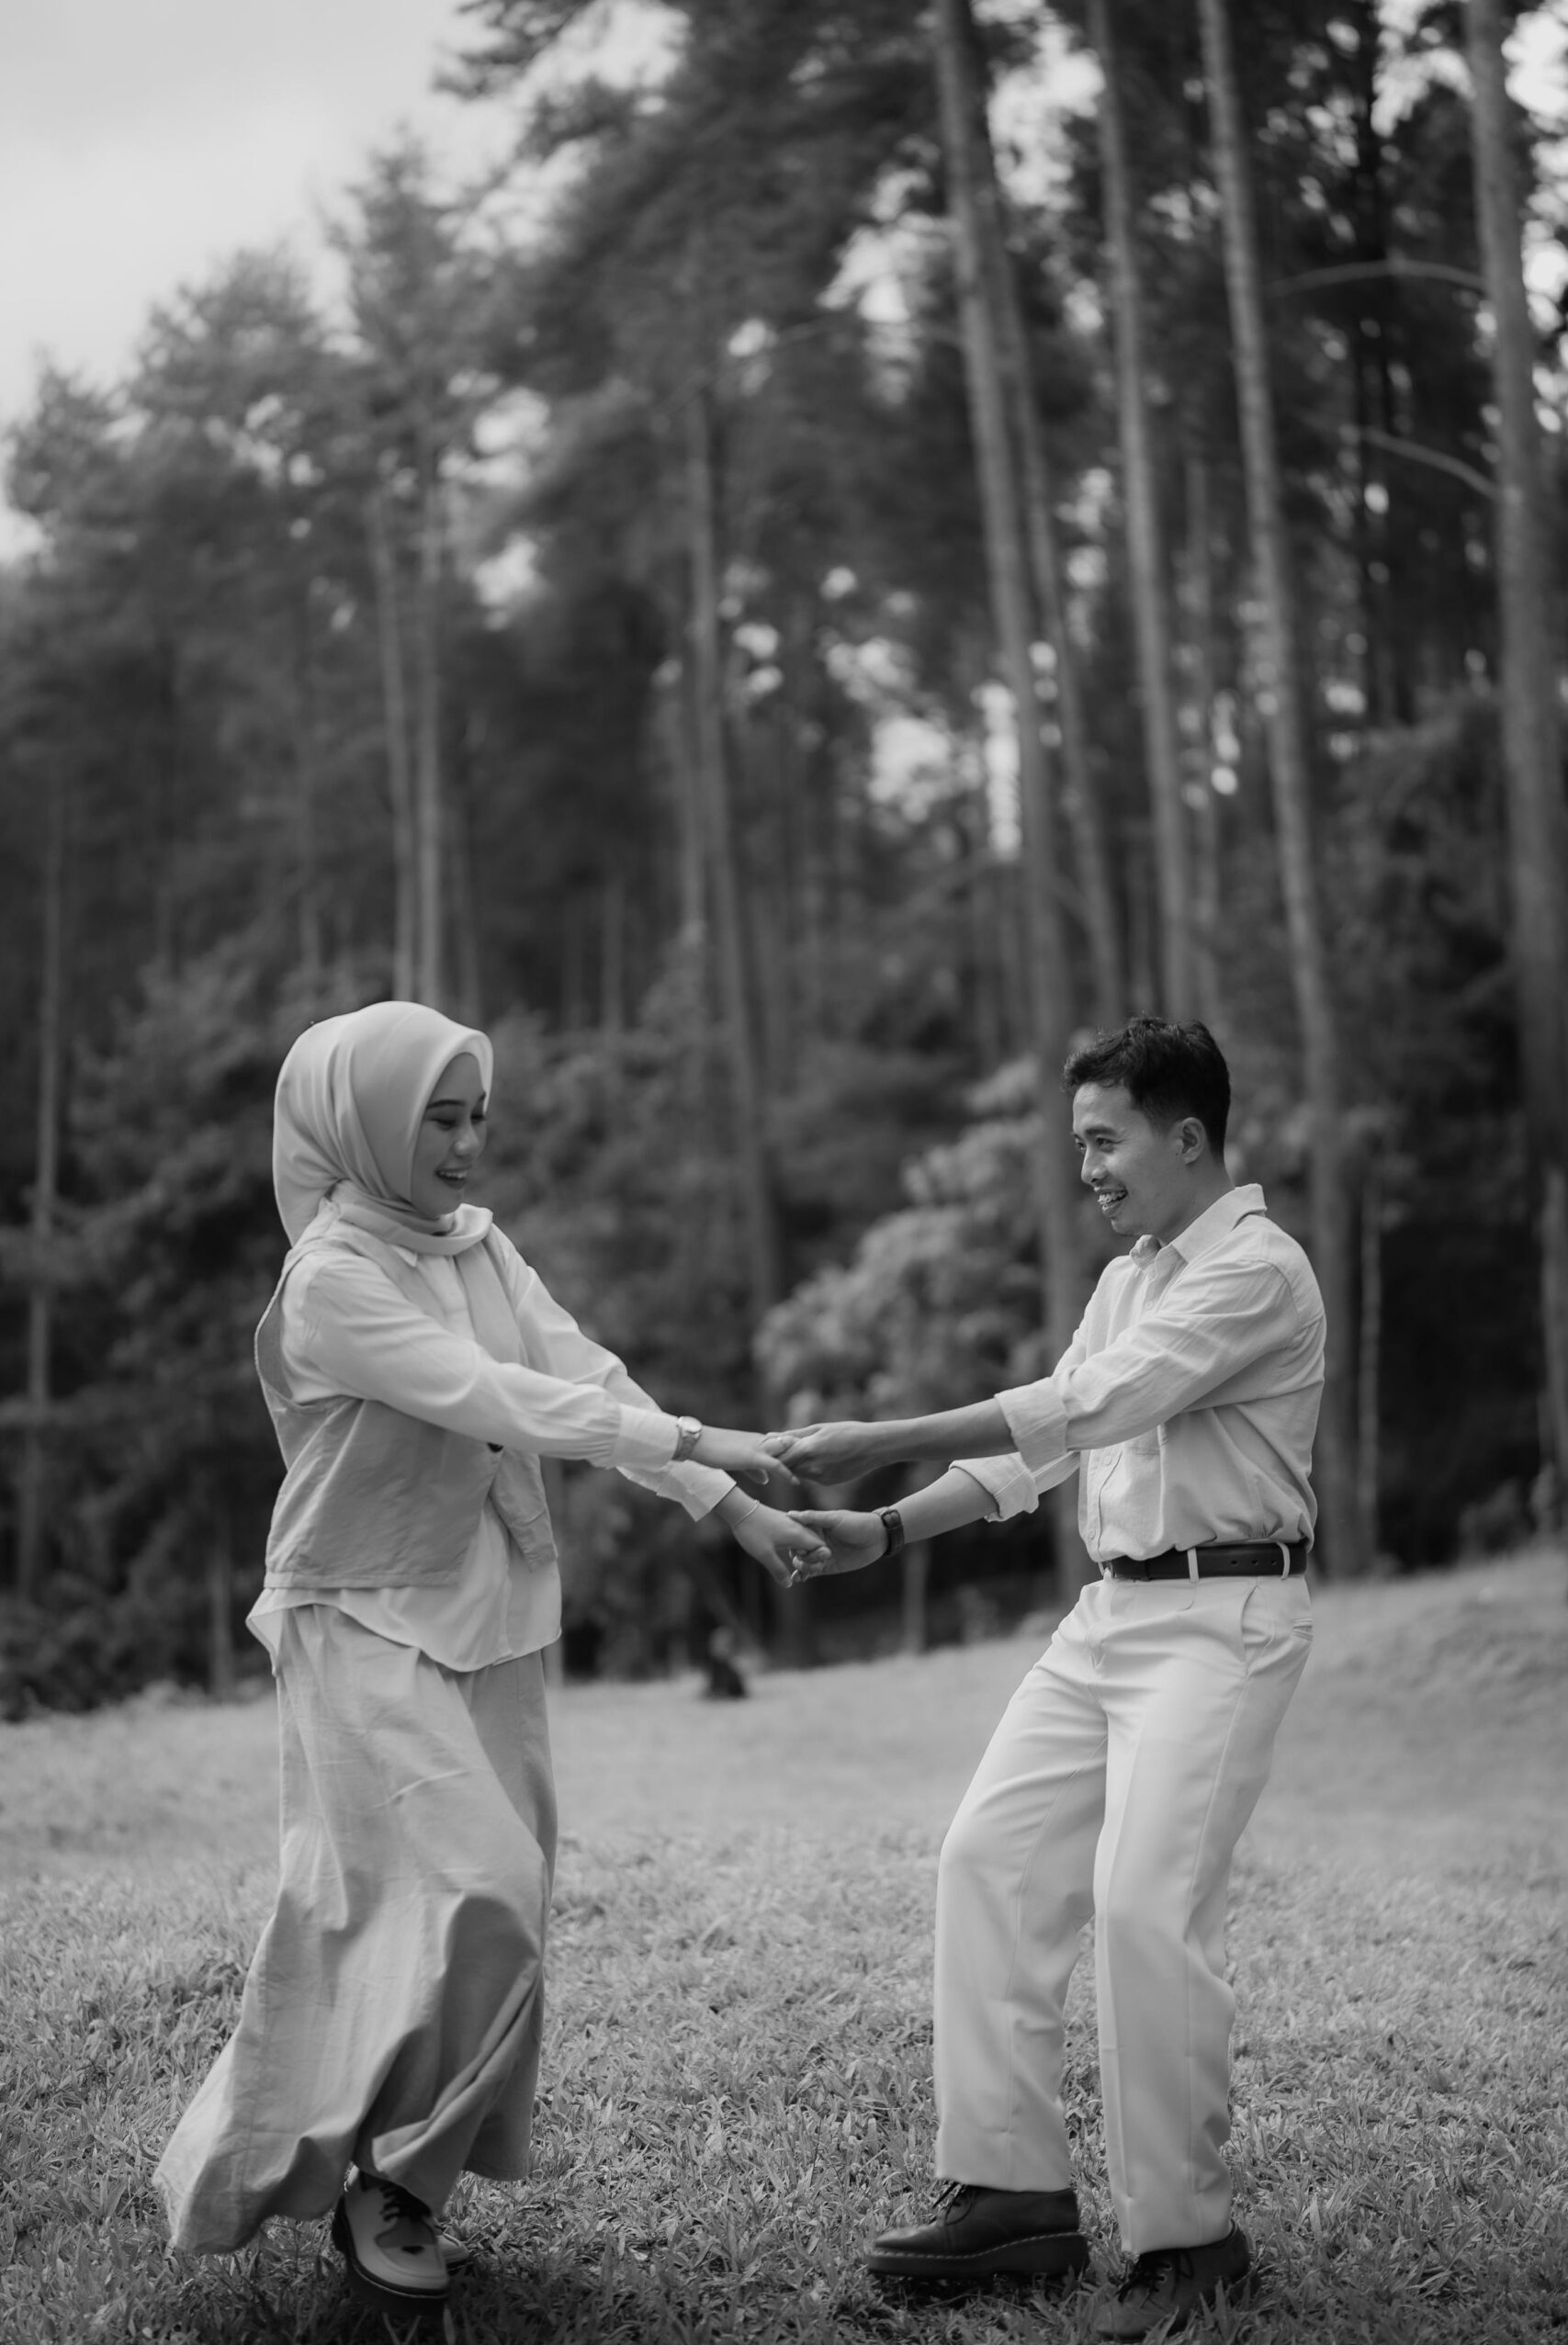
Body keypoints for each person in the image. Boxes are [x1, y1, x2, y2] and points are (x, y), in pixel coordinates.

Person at [154, 999, 825, 2323]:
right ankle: (345, 2166)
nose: (466, 1148)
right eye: (439, 1122)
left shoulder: (477, 1243)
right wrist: (704, 1440)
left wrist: (728, 1504)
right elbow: (495, 1395)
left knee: (490, 1912)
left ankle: (400, 2185)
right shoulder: (331, 1281)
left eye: (478, 1118)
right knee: (475, 1892)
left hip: (492, 1611)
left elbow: (584, 1372)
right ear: (365, 1129)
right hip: (360, 1618)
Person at [769, 1017, 1322, 2340]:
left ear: (1186, 1137)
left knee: (1142, 1910)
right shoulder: (1131, 1278)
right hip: (1108, 1616)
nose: (1088, 1169)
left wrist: (885, 1435)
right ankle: (1013, 2197)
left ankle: (1191, 2244)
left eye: (1104, 1140)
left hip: (1224, 1617)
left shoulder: (1259, 1272)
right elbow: (1047, 1449)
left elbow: (1094, 1405)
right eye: (1080, 1143)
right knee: (988, 1859)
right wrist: (888, 1526)